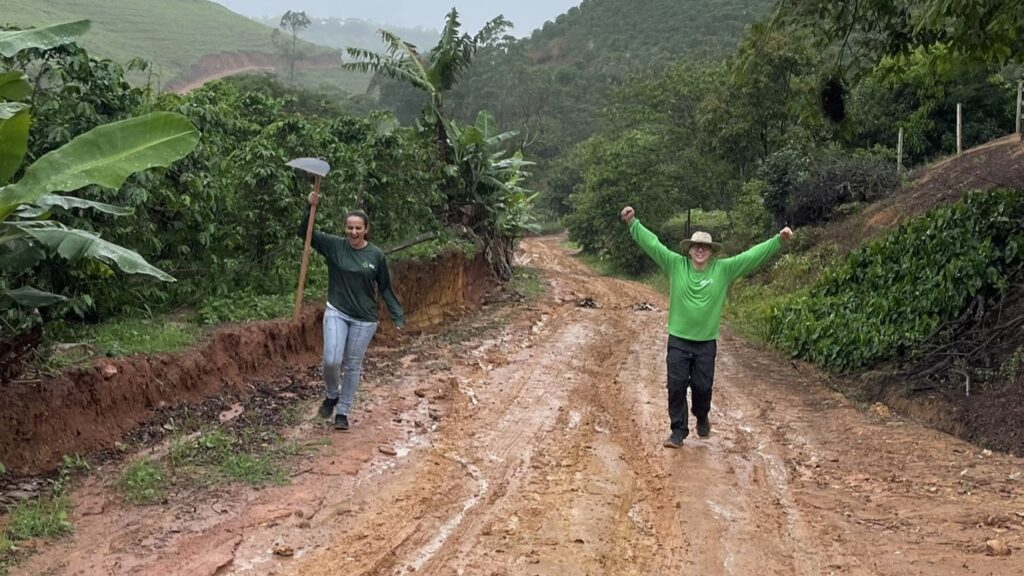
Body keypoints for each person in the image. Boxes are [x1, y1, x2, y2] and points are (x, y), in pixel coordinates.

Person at [620, 205, 794, 448]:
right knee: (676, 386)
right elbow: (653, 245)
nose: (700, 250)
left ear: (711, 252)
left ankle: (701, 416)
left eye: (705, 247)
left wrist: (778, 241)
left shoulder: (723, 270)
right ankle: (678, 432)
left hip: (706, 343)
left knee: (702, 387)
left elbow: (752, 256)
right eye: (696, 246)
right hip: (678, 340)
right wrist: (633, 223)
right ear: (689, 250)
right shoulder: (675, 265)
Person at [300, 191, 405, 431]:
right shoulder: (335, 246)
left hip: (364, 320)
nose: (354, 232)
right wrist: (310, 208)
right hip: (337, 310)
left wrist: (397, 314)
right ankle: (332, 393)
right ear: (345, 228)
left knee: (353, 365)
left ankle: (343, 412)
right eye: (350, 228)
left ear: (366, 229)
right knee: (331, 360)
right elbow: (303, 233)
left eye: (358, 228)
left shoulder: (376, 255)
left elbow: (385, 287)